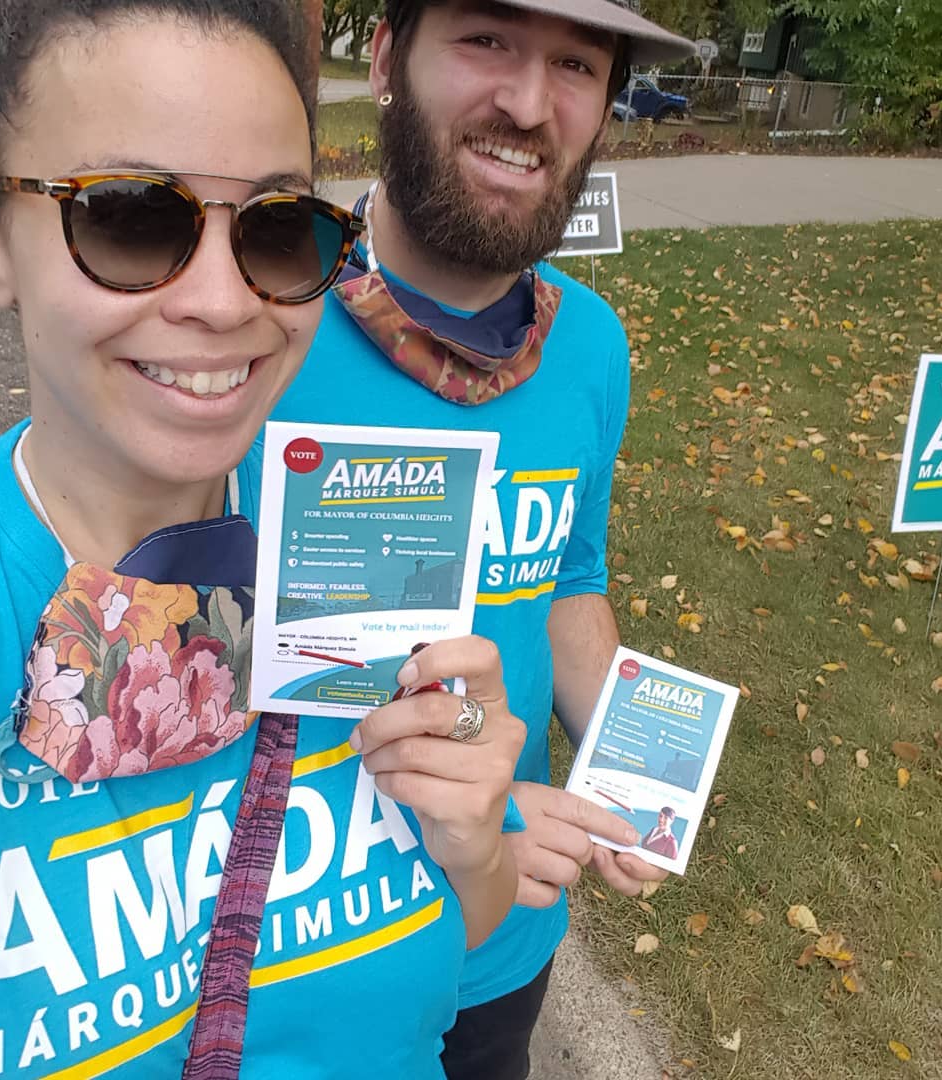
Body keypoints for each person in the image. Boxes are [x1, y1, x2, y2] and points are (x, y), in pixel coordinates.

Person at [0, 2, 524, 1076]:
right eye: (131, 218)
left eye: (278, 226)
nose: (227, 302)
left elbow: (437, 961)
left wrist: (475, 842)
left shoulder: (360, 556)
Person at [270, 2, 694, 1076]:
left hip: (505, 962)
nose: (527, 101)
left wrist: (641, 780)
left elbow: (570, 583)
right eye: (486, 40)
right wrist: (475, 838)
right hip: (310, 967)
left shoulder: (592, 346)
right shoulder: (262, 323)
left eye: (574, 64)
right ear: (383, 59)